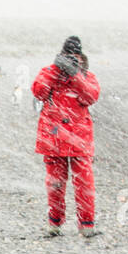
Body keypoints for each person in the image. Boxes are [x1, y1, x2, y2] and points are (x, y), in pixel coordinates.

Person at [32, 36, 100, 237]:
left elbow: (90, 97)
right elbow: (39, 92)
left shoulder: (87, 76)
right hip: (54, 137)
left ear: (80, 56)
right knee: (55, 184)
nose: (70, 59)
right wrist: (56, 70)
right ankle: (54, 224)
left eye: (74, 56)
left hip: (78, 139)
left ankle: (86, 225)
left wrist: (76, 75)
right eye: (67, 56)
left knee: (84, 183)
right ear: (61, 55)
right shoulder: (48, 72)